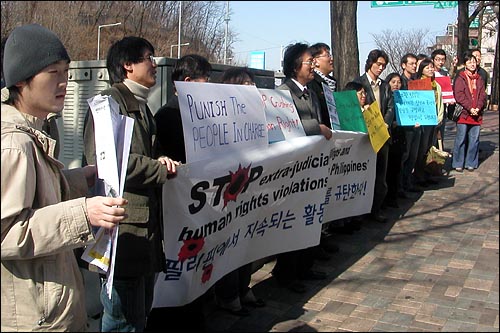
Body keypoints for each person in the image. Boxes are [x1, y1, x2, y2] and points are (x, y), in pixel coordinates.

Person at [1, 23, 128, 332]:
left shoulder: (34, 132)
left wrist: (76, 179)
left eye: (66, 72)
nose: (64, 83)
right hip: (34, 319)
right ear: (21, 80)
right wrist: (84, 213)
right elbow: (6, 234)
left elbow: (34, 196)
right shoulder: (13, 144)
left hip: (50, 311)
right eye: (52, 73)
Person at [83, 36, 180, 332]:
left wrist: (161, 157)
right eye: (148, 57)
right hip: (122, 232)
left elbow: (144, 152)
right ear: (127, 65)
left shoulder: (141, 105)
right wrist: (159, 168)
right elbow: (110, 163)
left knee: (139, 315)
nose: (154, 63)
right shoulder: (108, 104)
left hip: (143, 230)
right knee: (122, 319)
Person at [148, 54, 212, 332]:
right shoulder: (167, 115)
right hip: (178, 209)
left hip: (200, 204)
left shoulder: (204, 114)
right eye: (205, 82)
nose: (209, 88)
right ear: (187, 82)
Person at [272, 42, 331, 294]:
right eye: (309, 62)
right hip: (293, 169)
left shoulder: (311, 90)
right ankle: (286, 272)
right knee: (293, 220)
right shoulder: (283, 93)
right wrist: (316, 128)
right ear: (296, 65)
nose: (313, 66)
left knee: (310, 215)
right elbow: (287, 124)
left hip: (313, 166)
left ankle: (305, 265)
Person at [211, 67, 266, 317]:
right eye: (245, 84)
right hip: (227, 194)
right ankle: (228, 295)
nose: (250, 89)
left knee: (248, 242)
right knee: (229, 245)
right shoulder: (217, 117)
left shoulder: (257, 116)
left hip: (251, 190)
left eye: (252, 84)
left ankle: (244, 288)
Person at [307, 42, 341, 259]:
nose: (331, 59)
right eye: (327, 55)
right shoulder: (313, 86)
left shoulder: (330, 84)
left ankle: (323, 236)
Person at [354, 49, 394, 223]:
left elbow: (391, 107)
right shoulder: (358, 82)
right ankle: (359, 212)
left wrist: (385, 122)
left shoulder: (385, 86)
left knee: (380, 175)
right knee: (363, 175)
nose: (381, 68)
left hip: (382, 135)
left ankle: (376, 209)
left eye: (384, 65)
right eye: (378, 64)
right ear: (370, 63)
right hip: (364, 137)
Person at [451, 50, 487, 172]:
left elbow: (482, 95)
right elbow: (459, 95)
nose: (472, 64)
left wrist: (478, 108)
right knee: (461, 139)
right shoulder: (461, 77)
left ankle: (471, 162)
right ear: (465, 63)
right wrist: (470, 108)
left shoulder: (480, 79)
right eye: (469, 62)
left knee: (474, 140)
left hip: (476, 114)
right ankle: (458, 162)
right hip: (464, 113)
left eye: (474, 62)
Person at [413, 58, 445, 188]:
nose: (431, 69)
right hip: (422, 123)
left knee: (429, 148)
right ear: (421, 70)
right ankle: (418, 175)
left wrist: (439, 118)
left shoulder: (436, 85)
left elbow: (440, 103)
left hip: (434, 122)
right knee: (421, 149)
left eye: (432, 67)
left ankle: (428, 174)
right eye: (428, 68)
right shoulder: (417, 84)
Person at [398, 54, 422, 196]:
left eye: (415, 64)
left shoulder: (416, 82)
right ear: (403, 65)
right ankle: (400, 186)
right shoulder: (399, 82)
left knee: (413, 155)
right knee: (404, 156)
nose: (414, 66)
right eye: (411, 63)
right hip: (405, 126)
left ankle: (408, 182)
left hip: (418, 124)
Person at [383, 72, 406, 209]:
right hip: (388, 136)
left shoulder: (404, 97)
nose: (397, 85)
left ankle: (393, 196)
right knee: (387, 170)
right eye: (393, 82)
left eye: (399, 82)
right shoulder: (386, 98)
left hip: (400, 137)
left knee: (396, 168)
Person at [431, 49, 452, 150]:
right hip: (430, 106)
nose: (440, 62)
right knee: (429, 136)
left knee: (440, 134)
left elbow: (448, 89)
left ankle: (438, 159)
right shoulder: (429, 72)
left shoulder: (445, 73)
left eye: (443, 60)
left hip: (442, 107)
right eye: (438, 59)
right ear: (433, 60)